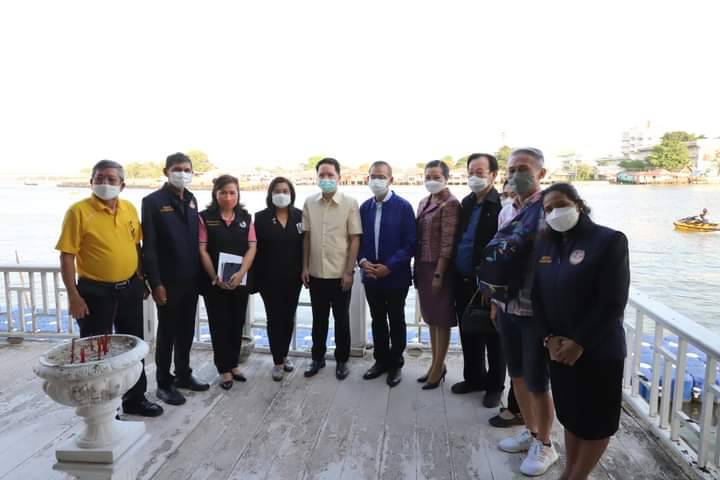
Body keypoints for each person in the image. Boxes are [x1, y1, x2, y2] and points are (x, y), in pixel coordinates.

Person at [532, 183, 630, 480]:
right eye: (548, 209)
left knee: (596, 423)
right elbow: (537, 296)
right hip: (559, 350)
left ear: (578, 204)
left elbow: (612, 301)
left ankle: (576, 476)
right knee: (572, 417)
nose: (555, 213)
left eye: (561, 204)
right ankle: (570, 473)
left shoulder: (609, 240)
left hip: (598, 350)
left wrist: (580, 342)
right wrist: (548, 338)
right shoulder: (546, 245)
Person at [56, 160, 163, 417]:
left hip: (130, 288)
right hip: (95, 292)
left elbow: (135, 245)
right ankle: (100, 407)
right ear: (91, 182)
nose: (105, 183)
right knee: (96, 351)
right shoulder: (78, 212)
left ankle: (135, 400)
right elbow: (67, 256)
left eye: (111, 179)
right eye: (100, 178)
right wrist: (73, 295)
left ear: (122, 185)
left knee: (133, 347)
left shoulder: (128, 209)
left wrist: (141, 279)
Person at [480, 147, 558, 476]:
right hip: (507, 306)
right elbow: (500, 261)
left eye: (523, 168)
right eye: (511, 170)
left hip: (536, 311)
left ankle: (546, 444)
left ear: (541, 173)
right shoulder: (506, 211)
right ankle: (531, 430)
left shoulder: (550, 209)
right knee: (518, 376)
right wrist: (495, 303)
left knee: (538, 382)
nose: (515, 175)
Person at [142, 152, 209, 406]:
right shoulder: (152, 201)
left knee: (186, 330)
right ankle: (163, 382)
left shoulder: (191, 200)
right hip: (167, 282)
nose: (182, 173)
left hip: (191, 280)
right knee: (167, 332)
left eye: (187, 169)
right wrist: (155, 283)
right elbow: (149, 247)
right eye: (177, 169)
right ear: (166, 172)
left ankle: (183, 374)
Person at [451, 153, 506, 408]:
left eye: (480, 173)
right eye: (471, 172)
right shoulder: (467, 202)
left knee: (494, 337)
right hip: (462, 279)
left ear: (493, 175)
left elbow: (503, 249)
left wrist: (491, 284)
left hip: (487, 283)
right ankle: (473, 378)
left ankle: (495, 386)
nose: (474, 177)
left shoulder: (502, 205)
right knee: (468, 331)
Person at [301, 158, 363, 380]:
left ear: (339, 177)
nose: (326, 179)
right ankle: (317, 358)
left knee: (341, 319)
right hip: (316, 272)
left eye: (330, 175)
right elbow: (307, 237)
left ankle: (342, 360)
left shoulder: (350, 203)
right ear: (317, 177)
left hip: (340, 274)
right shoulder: (309, 203)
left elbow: (355, 239)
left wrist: (349, 271)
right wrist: (304, 267)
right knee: (318, 319)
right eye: (322, 175)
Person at [358, 161, 417, 387]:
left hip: (396, 276)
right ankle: (380, 360)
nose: (377, 180)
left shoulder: (403, 207)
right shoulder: (365, 208)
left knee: (396, 319)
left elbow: (410, 243)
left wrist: (389, 266)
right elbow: (358, 240)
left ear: (391, 179)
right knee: (377, 320)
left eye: (381, 176)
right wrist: (363, 261)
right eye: (373, 176)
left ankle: (396, 363)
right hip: (371, 276)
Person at [198, 175, 257, 390]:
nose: (228, 197)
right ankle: (223, 369)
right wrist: (215, 277)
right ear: (215, 194)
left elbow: (252, 247)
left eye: (232, 192)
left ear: (238, 194)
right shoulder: (205, 218)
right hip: (215, 283)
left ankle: (234, 364)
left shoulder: (245, 218)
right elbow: (202, 250)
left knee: (236, 323)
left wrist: (241, 273)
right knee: (219, 325)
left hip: (240, 281)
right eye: (223, 192)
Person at [415, 160, 460, 390]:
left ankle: (438, 366)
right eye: (428, 177)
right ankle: (435, 364)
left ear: (446, 178)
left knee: (441, 319)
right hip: (422, 265)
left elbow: (447, 243)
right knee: (431, 317)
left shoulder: (451, 203)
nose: (431, 181)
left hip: (439, 267)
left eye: (436, 177)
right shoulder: (424, 202)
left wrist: (439, 273)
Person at [254, 177, 304, 381]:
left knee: (288, 317)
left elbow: (305, 245)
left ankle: (284, 354)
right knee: (274, 318)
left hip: (293, 277)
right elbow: (254, 249)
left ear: (291, 194)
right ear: (270, 194)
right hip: (269, 278)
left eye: (285, 191)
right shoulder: (260, 218)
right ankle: (277, 361)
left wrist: (305, 269)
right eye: (277, 191)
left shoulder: (300, 216)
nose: (281, 194)